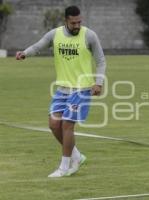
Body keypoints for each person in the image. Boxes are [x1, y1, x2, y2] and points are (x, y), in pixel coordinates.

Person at [15, 5, 106, 178]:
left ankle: (64, 167)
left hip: (82, 89)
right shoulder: (54, 34)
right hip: (62, 89)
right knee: (53, 125)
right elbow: (38, 46)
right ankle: (76, 156)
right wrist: (25, 53)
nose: (77, 26)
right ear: (66, 21)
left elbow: (101, 61)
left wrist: (99, 83)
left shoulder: (89, 35)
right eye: (73, 23)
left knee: (67, 125)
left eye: (79, 22)